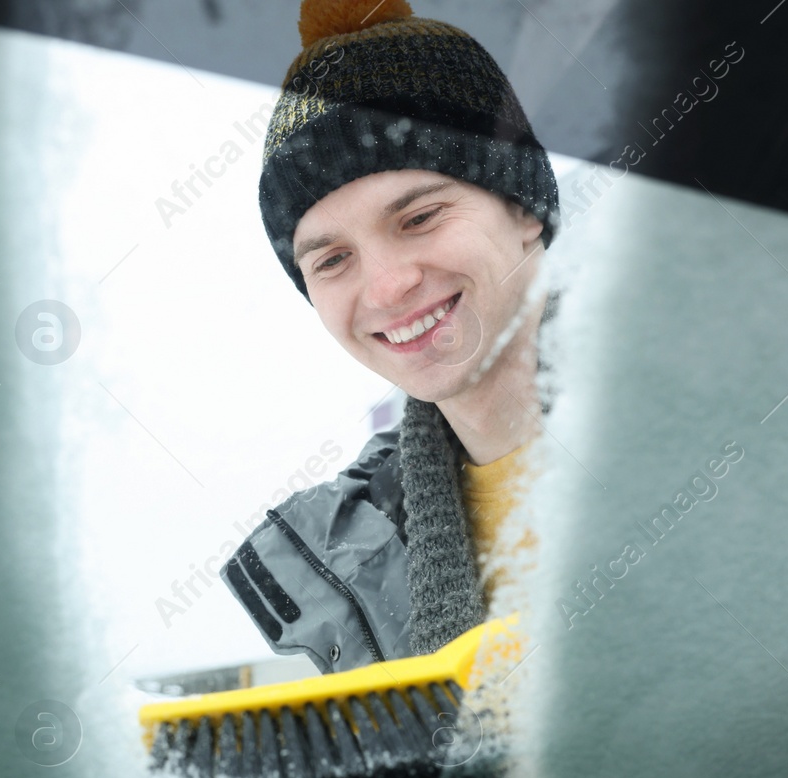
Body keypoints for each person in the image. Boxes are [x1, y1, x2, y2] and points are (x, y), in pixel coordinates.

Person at [219, 0, 563, 675]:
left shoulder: (707, 411)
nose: (387, 287)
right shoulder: (345, 559)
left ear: (522, 208)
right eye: (333, 260)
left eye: (420, 217)